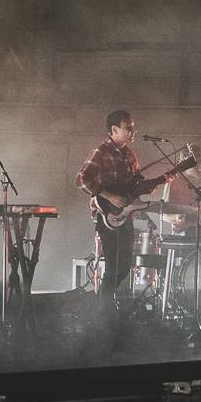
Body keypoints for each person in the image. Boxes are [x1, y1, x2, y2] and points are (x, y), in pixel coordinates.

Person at [77, 110, 142, 303]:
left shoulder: (130, 153)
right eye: (128, 128)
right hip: (107, 216)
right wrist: (109, 196)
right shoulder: (101, 151)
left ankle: (104, 303)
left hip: (126, 216)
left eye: (133, 128)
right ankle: (103, 307)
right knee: (114, 265)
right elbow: (81, 179)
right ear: (114, 129)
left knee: (125, 264)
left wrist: (154, 183)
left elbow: (135, 183)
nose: (132, 131)